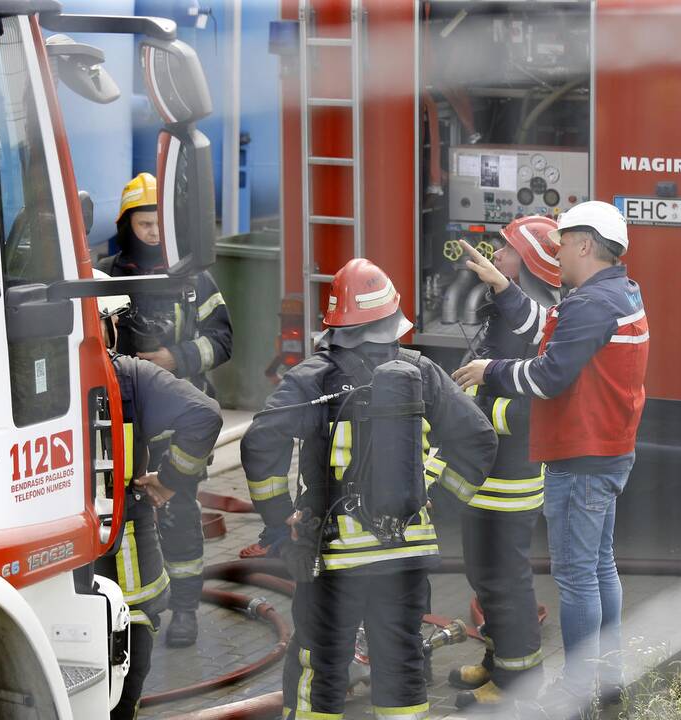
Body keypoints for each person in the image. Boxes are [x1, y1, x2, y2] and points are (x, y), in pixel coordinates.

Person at [241, 258, 496, 720]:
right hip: (404, 550)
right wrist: (437, 502)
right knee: (400, 659)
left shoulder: (310, 377)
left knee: (319, 660)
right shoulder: (421, 371)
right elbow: (477, 439)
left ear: (335, 324)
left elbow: (260, 443)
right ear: (392, 319)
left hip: (332, 554)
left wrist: (278, 520)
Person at [452, 200, 649, 719]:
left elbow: (547, 375)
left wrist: (489, 370)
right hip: (606, 451)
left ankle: (579, 690)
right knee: (601, 568)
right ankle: (608, 678)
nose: (557, 252)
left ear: (585, 245)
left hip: (580, 457)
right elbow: (549, 328)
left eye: (563, 241)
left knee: (578, 577)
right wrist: (505, 287)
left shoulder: (589, 304)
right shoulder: (618, 293)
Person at [99, 172, 233, 646]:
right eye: (144, 223)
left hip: (181, 418)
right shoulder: (107, 276)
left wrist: (174, 359)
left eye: (161, 223)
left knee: (178, 510)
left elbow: (223, 340)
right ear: (125, 224)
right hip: (122, 420)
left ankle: (183, 609)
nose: (154, 232)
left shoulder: (194, 278)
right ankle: (125, 604)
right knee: (119, 514)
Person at [91, 271, 223, 719]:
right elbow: (205, 415)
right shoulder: (129, 376)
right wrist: (170, 480)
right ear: (107, 326)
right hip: (124, 544)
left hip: (59, 551)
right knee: (129, 658)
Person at [448, 216, 562, 710]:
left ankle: (518, 681)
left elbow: (533, 410)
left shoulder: (544, 323)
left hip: (511, 476)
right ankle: (497, 662)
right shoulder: (509, 312)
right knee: (481, 571)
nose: (496, 253)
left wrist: (474, 412)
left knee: (504, 577)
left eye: (506, 248)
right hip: (485, 472)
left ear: (530, 260)